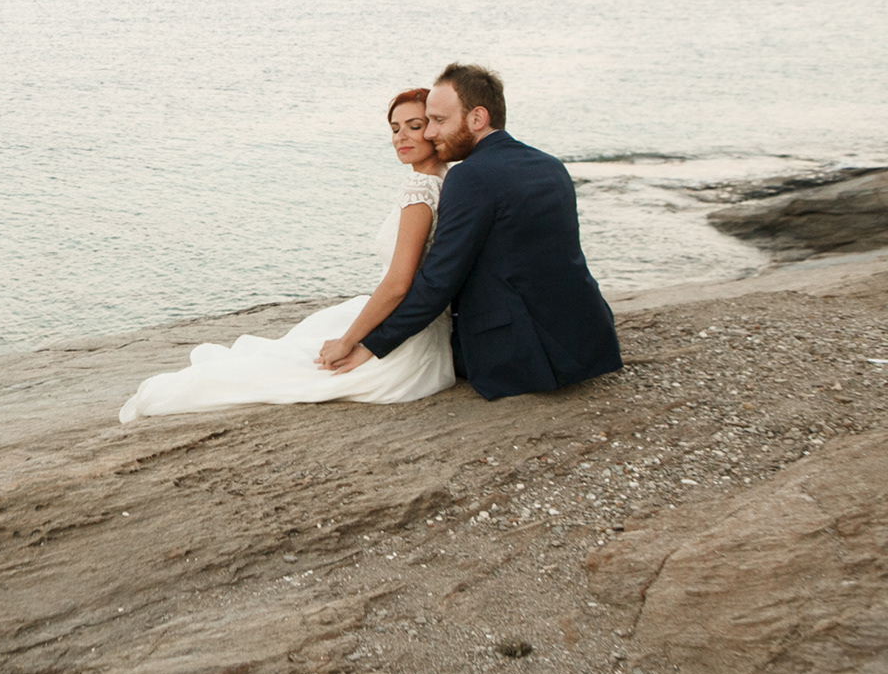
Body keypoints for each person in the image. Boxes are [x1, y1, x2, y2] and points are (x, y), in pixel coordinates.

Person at [118, 87, 456, 421]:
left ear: (435, 127)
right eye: (395, 129)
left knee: (285, 369)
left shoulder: (420, 190)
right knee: (295, 344)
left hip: (405, 345)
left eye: (414, 126)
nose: (401, 137)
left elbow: (399, 283)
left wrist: (349, 342)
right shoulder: (446, 179)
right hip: (425, 333)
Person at [317, 63, 620, 399]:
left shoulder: (470, 177)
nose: (430, 133)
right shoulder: (550, 165)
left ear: (477, 118)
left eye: (439, 121)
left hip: (526, 357)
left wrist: (369, 346)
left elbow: (437, 283)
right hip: (590, 337)